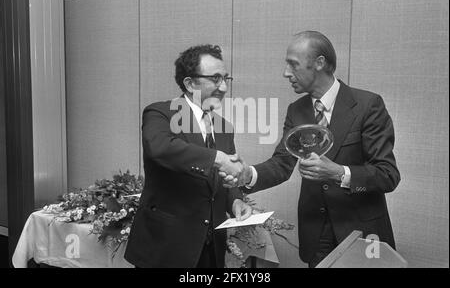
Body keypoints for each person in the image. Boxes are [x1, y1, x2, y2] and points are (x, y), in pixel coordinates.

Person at [221, 31, 401, 267]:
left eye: (293, 65)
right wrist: (248, 174)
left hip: (362, 232)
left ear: (319, 63)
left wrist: (338, 173)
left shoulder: (368, 105)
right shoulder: (297, 110)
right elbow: (282, 164)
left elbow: (388, 175)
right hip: (316, 234)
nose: (286, 73)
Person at [125, 44, 252, 268]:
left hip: (211, 246)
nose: (223, 87)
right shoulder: (160, 112)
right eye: (215, 78)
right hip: (167, 247)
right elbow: (160, 147)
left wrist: (235, 200)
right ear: (190, 83)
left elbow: (224, 179)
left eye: (225, 78)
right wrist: (218, 158)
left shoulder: (224, 127)